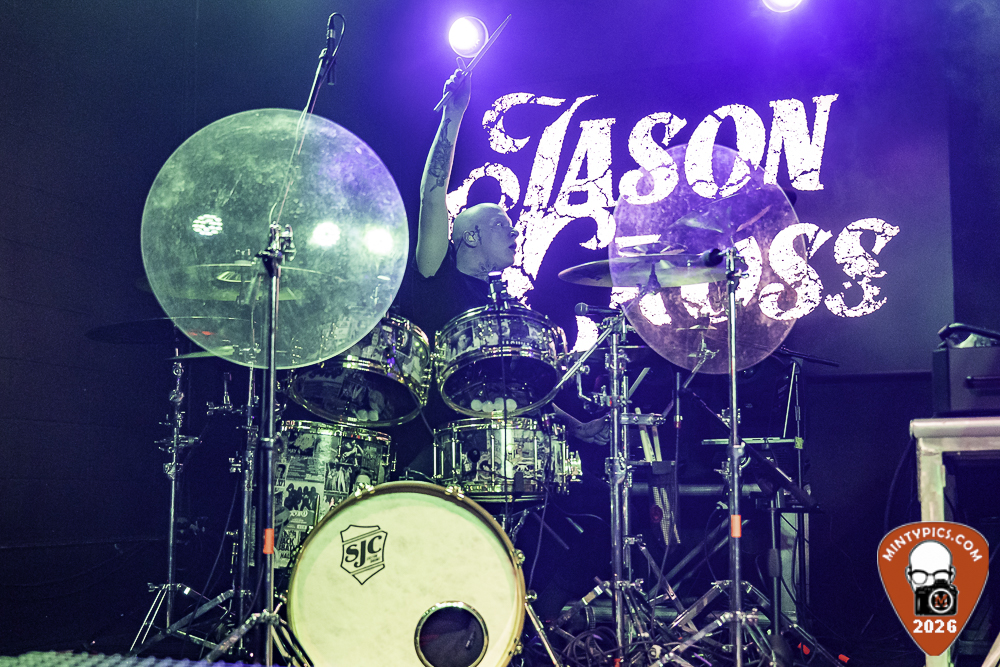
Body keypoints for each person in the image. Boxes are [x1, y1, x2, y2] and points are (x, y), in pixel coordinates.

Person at [393, 70, 608, 462]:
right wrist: (454, 114)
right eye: (500, 225)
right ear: (470, 237)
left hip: (500, 452)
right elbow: (432, 193)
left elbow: (521, 392)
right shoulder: (437, 273)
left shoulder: (504, 305)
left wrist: (576, 427)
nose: (514, 233)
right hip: (439, 448)